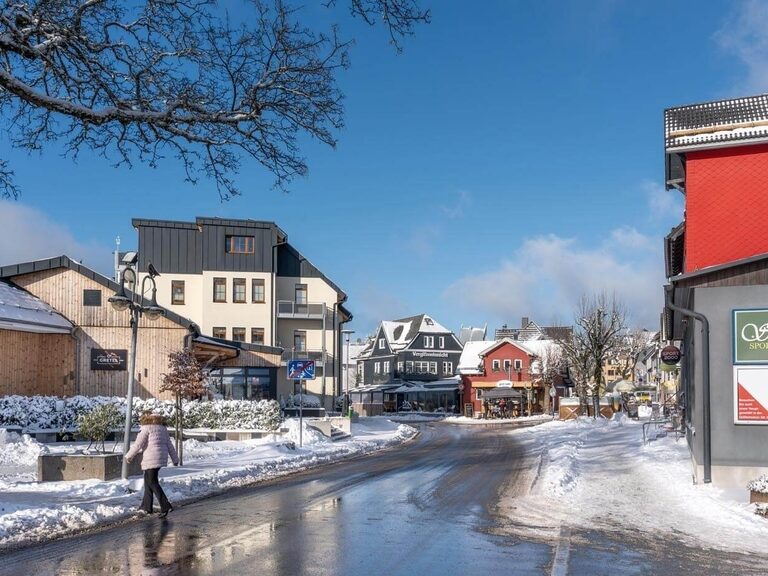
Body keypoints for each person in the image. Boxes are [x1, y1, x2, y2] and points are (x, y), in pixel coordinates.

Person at [125, 413, 179, 518]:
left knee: (152, 482)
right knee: (148, 482)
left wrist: (129, 456)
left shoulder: (146, 429)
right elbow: (170, 445)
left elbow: (138, 444)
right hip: (160, 458)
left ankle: (165, 505)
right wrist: (175, 459)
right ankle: (146, 507)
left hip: (151, 459)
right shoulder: (162, 429)